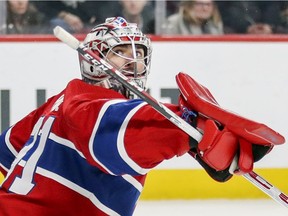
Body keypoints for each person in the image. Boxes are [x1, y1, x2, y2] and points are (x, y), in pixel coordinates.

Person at [0, 17, 284, 215]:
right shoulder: (87, 104)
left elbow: (7, 149)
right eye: (120, 52)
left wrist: (192, 136)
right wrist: (188, 129)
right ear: (94, 62)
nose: (133, 60)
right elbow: (116, 134)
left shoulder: (61, 102)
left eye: (138, 53)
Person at [217, 1, 282, 34]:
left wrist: (270, 27)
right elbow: (222, 12)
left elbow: (272, 6)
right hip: (237, 35)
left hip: (269, 33)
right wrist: (245, 28)